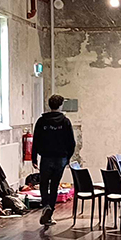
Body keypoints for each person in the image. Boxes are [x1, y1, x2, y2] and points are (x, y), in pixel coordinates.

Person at [30, 94, 75, 226]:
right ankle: (50, 213)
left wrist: (34, 157)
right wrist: (68, 157)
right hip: (60, 158)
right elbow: (71, 142)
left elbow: (36, 140)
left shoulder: (41, 121)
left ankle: (46, 207)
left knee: (44, 184)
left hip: (46, 157)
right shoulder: (65, 121)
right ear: (61, 105)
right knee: (54, 185)